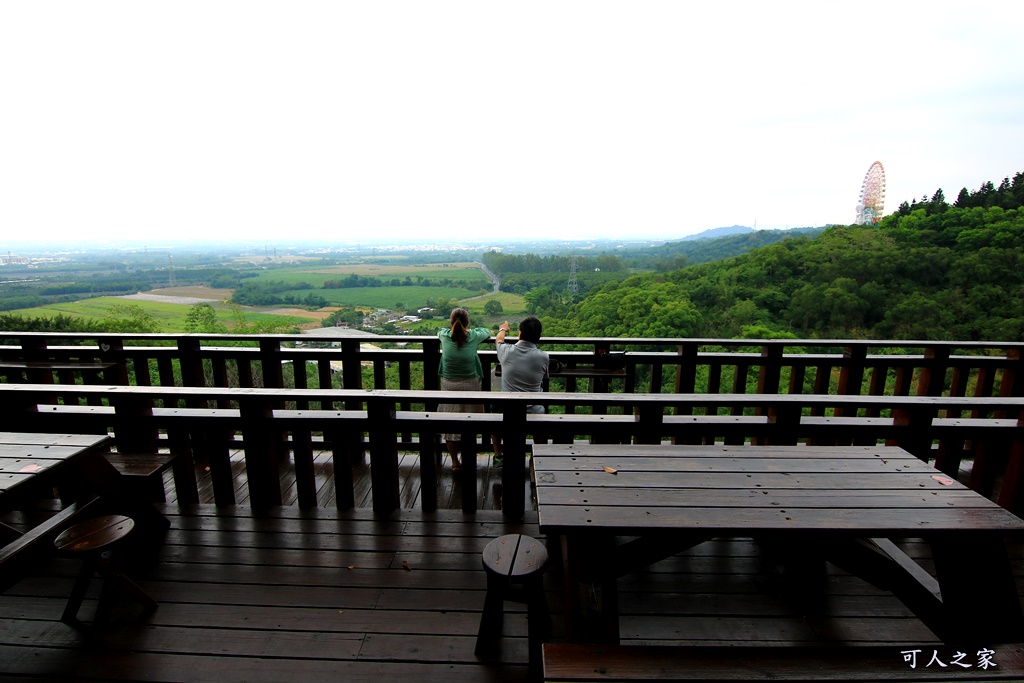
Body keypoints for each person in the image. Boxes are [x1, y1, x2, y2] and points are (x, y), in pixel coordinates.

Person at [438, 308, 492, 471]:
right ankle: (469, 457)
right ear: (467, 322)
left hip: (448, 384)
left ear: (451, 322)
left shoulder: (444, 335)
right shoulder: (473, 336)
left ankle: (454, 462)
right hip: (470, 384)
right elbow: (487, 331)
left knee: (450, 423)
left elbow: (440, 331)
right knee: (471, 420)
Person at [493, 316, 549, 462]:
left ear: (520, 334)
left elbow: (498, 340)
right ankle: (536, 458)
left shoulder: (507, 351)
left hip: (508, 409)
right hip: (533, 409)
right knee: (542, 415)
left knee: (494, 410)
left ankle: (498, 454)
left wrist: (503, 329)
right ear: (538, 337)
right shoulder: (543, 357)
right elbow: (545, 378)